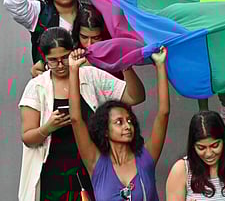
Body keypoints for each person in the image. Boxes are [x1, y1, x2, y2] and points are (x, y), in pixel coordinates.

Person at [18, 28, 145, 201]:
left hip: (93, 168)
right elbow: (27, 137)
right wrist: (48, 127)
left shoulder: (91, 75)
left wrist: (126, 66)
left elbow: (135, 97)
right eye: (53, 61)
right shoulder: (36, 87)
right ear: (45, 59)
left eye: (64, 57)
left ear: (72, 52)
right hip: (53, 174)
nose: (60, 65)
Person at [69, 46, 168, 201]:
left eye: (130, 121)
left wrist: (161, 66)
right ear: (105, 130)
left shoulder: (146, 158)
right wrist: (73, 70)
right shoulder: (96, 163)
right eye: (119, 122)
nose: (127, 126)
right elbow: (76, 120)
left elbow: (163, 113)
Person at [165, 111, 225, 201]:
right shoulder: (182, 169)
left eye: (215, 146)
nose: (208, 154)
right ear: (193, 146)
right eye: (201, 148)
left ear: (224, 141)